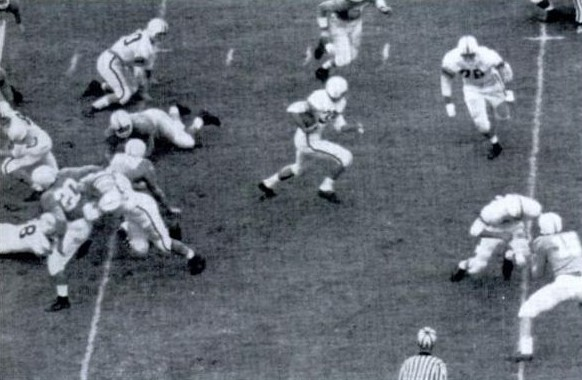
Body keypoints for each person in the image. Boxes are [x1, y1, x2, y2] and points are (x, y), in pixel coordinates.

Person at [258, 76, 362, 204]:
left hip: (310, 139)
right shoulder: (317, 97)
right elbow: (293, 110)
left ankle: (267, 184)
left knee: (298, 169)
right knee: (346, 157)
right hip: (308, 140)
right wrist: (305, 127)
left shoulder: (341, 102)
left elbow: (339, 127)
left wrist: (355, 127)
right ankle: (325, 188)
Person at [84, 169, 206, 276]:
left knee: (164, 245)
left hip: (146, 213)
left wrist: (87, 241)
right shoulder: (114, 186)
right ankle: (126, 228)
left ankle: (193, 257)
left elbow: (103, 218)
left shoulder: (113, 204)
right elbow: (111, 176)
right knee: (140, 250)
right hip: (133, 215)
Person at [32, 164, 104, 312]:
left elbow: (61, 221)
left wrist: (60, 241)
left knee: (55, 265)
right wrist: (102, 170)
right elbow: (89, 169)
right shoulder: (66, 173)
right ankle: (84, 242)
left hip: (75, 227)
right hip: (88, 213)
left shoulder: (47, 196)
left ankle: (63, 300)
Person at [516, 212, 582, 361]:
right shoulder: (572, 235)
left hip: (565, 283)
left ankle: (526, 351)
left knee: (527, 310)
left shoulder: (542, 241)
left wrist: (528, 260)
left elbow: (537, 274)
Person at [441, 35, 514, 160]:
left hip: (493, 85)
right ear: (460, 54)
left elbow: (504, 70)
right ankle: (495, 145)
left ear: (477, 52)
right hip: (472, 89)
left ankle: (493, 109)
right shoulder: (451, 59)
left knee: (503, 115)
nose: (469, 59)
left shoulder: (488, 56)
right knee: (482, 125)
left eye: (472, 55)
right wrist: (448, 102)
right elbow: (446, 80)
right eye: (465, 56)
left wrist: (508, 89)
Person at [84, 18, 169, 116]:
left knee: (133, 88)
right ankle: (93, 108)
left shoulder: (144, 35)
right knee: (124, 95)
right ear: (152, 31)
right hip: (110, 63)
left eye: (163, 35)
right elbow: (139, 71)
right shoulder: (145, 47)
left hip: (116, 61)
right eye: (159, 34)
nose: (161, 38)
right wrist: (144, 91)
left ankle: (98, 87)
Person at [450, 194, 542, 282]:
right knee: (478, 267)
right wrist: (500, 235)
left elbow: (532, 217)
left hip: (515, 227)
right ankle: (463, 266)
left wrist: (525, 234)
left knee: (522, 259)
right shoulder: (491, 212)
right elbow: (474, 231)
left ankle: (509, 255)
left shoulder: (529, 206)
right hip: (494, 229)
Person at [314, 0, 392, 81]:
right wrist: (324, 31)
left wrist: (382, 7)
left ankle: (324, 47)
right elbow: (322, 8)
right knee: (344, 59)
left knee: (353, 54)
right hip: (339, 27)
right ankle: (323, 68)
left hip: (356, 24)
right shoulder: (340, 3)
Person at [104, 105, 220, 157]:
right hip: (149, 119)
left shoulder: (143, 125)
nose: (124, 132)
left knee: (187, 142)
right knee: (177, 128)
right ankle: (174, 109)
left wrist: (136, 160)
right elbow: (109, 152)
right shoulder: (110, 132)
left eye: (126, 128)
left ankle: (200, 118)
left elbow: (150, 148)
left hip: (158, 121)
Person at [0, 102, 58, 200]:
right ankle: (57, 176)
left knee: (7, 167)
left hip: (34, 149)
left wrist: (1, 152)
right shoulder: (10, 114)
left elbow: (16, 153)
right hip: (43, 138)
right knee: (53, 169)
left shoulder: (14, 131)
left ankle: (38, 188)